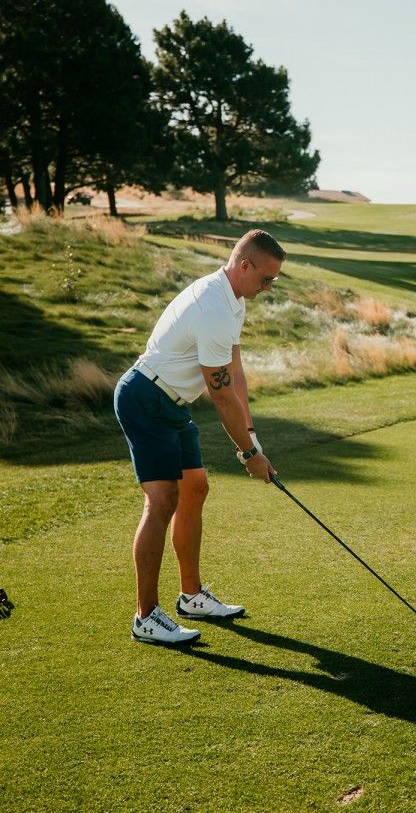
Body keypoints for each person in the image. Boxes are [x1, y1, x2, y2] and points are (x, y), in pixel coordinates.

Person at [114, 228, 286, 646]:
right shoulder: (211, 307)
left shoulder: (234, 300)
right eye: (265, 278)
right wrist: (249, 456)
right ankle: (146, 617)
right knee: (163, 500)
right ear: (244, 265)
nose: (267, 287)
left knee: (196, 487)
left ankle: (190, 596)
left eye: (273, 282)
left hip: (172, 403)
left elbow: (236, 369)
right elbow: (221, 393)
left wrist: (251, 434)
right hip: (145, 397)